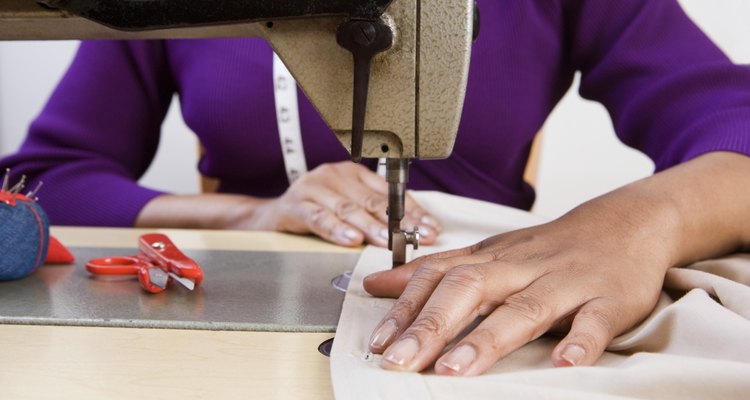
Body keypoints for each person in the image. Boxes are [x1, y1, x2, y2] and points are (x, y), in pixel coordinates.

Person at [2, 0, 749, 376]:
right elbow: (44, 180)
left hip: (471, 309)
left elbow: (733, 121)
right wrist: (254, 212)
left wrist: (638, 221)